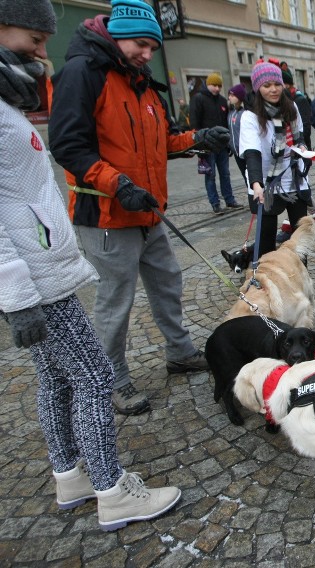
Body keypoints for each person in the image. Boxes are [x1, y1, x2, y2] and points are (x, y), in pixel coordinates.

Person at [0, 0, 182, 530]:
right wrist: (13, 294)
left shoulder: (15, 96)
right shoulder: (82, 74)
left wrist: (192, 142)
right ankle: (111, 489)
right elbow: (66, 152)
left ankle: (70, 476)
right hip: (40, 271)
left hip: (46, 265)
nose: (42, 53)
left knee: (57, 380)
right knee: (95, 378)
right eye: (34, 40)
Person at [49, 0, 228, 415]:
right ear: (116, 35)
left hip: (148, 212)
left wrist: (199, 137)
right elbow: (67, 145)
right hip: (108, 215)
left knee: (168, 283)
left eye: (153, 47)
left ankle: (180, 353)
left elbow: (163, 141)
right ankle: (111, 379)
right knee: (116, 301)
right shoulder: (83, 73)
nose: (147, 54)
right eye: (140, 45)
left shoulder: (142, 82)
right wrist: (117, 184)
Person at [239, 60, 309, 257]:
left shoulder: (291, 107)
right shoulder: (250, 116)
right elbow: (251, 152)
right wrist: (256, 183)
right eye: (267, 85)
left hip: (293, 177)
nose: (273, 90)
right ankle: (267, 279)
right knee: (266, 241)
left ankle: (298, 279)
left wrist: (303, 148)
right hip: (266, 181)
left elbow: (300, 136)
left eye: (277, 84)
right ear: (257, 87)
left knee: (299, 238)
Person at [191, 71, 240, 213]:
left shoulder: (222, 100)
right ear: (208, 85)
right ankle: (215, 203)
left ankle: (229, 200)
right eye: (214, 85)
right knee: (210, 175)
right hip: (207, 146)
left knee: (225, 173)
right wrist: (198, 143)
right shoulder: (198, 99)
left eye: (219, 86)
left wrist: (228, 142)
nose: (217, 88)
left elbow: (226, 123)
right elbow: (194, 122)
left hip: (222, 145)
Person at [281, 67, 312, 151]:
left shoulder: (299, 99)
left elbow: (305, 125)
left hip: (300, 148)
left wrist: (302, 144)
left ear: (287, 84)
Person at [227, 84, 248, 185]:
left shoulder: (245, 113)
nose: (229, 97)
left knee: (250, 176)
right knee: (245, 176)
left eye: (232, 95)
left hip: (245, 151)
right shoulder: (231, 113)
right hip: (236, 151)